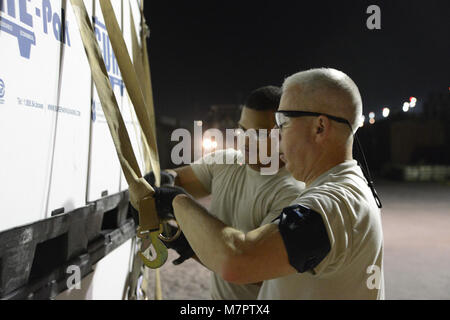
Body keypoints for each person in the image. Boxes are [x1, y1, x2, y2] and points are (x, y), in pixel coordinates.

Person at [153, 68, 385, 300]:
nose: (277, 135)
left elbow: (238, 261)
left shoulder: (334, 204)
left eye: (283, 122)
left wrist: (175, 201)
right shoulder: (341, 192)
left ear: (320, 127)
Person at [147, 86, 305, 300]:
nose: (246, 140)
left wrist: (188, 243)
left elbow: (250, 269)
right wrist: (159, 181)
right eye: (242, 130)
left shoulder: (291, 194)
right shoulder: (227, 162)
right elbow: (175, 179)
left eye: (257, 133)